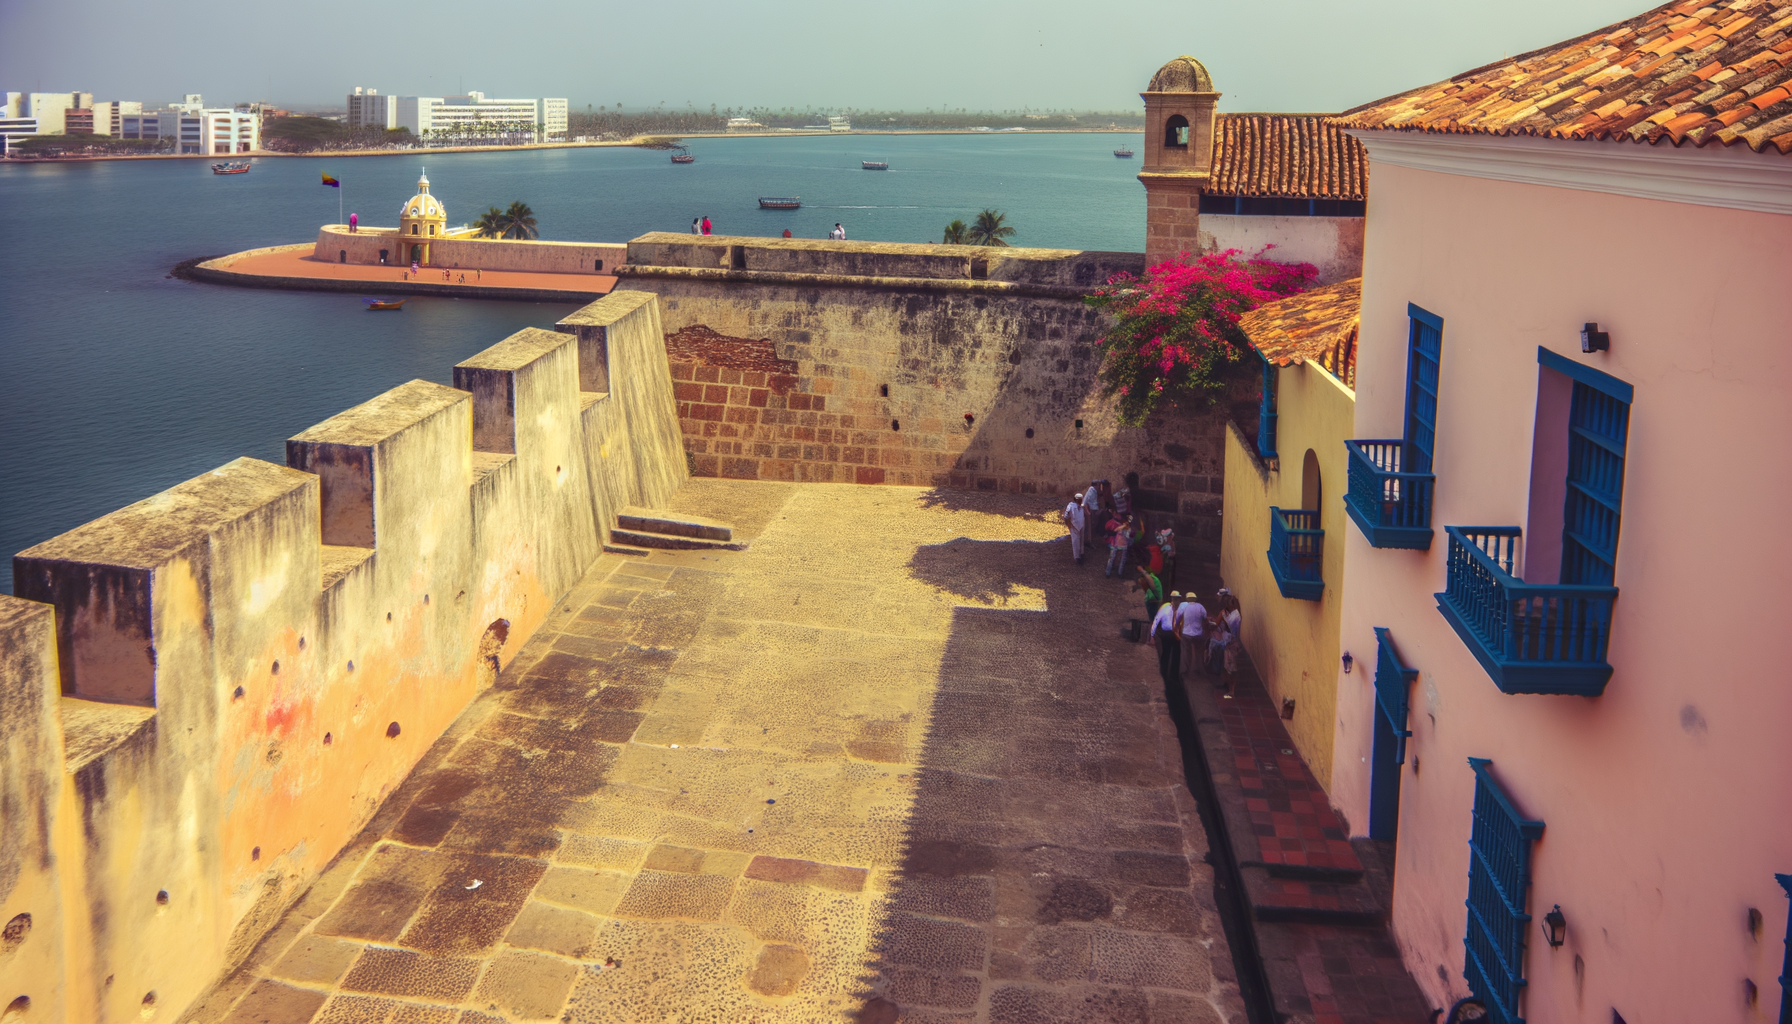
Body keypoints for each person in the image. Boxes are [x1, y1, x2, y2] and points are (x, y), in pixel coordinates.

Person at [1151, 592, 1182, 686]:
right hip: (1167, 634)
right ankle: (1163, 676)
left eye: (1177, 599)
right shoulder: (1165, 607)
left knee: (1176, 656)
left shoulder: (1181, 609)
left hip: (1177, 634)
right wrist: (1152, 635)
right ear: (1172, 599)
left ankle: (1174, 677)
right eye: (1174, 599)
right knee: (1166, 654)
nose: (1176, 601)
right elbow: (1157, 619)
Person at [1176, 591, 1206, 681]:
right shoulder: (1200, 606)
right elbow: (1204, 617)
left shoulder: (1183, 606)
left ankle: (1186, 670)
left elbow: (1178, 617)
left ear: (1187, 599)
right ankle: (1198, 668)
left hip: (1186, 633)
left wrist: (1177, 628)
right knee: (1198, 652)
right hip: (1198, 633)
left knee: (1186, 651)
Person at [1103, 509, 1130, 578]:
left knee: (1114, 557)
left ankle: (1110, 572)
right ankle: (1117, 573)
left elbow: (1108, 528)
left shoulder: (1113, 522)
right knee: (1119, 558)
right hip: (1120, 543)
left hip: (1117, 543)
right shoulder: (1126, 526)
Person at [1062, 493, 1087, 565]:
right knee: (1076, 541)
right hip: (1074, 526)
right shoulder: (1071, 506)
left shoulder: (1082, 506)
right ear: (1077, 500)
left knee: (1081, 540)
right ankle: (1077, 557)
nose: (1082, 500)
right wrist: (1069, 525)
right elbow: (1066, 516)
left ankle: (1081, 553)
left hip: (1081, 525)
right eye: (1080, 499)